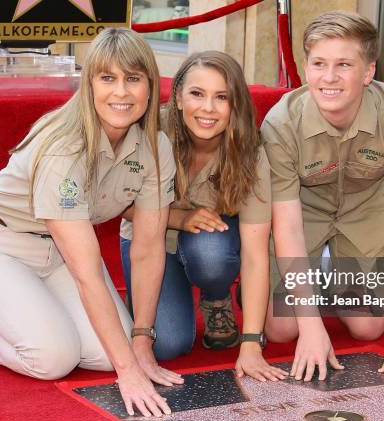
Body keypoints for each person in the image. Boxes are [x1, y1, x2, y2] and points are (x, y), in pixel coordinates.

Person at [0, 27, 183, 418]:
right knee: (53, 358)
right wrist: (129, 373)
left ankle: (26, 310)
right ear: (89, 84)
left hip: (56, 251)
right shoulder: (64, 147)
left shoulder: (156, 147)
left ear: (151, 85)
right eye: (107, 78)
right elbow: (87, 272)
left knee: (109, 353)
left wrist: (141, 342)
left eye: (132, 79)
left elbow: (148, 248)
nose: (121, 93)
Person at [261, 11, 384, 385]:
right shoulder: (280, 123)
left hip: (367, 210)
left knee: (367, 328)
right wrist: (311, 329)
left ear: (367, 71)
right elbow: (288, 226)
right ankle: (304, 280)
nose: (329, 77)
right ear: (306, 67)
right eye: (319, 64)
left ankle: (333, 276)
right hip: (306, 212)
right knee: (282, 330)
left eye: (344, 64)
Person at [120, 51, 288, 382]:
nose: (208, 108)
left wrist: (252, 344)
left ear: (235, 105)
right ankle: (142, 295)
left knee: (210, 253)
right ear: (179, 96)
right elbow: (114, 204)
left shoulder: (250, 152)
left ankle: (216, 298)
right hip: (149, 238)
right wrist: (179, 219)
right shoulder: (148, 131)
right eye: (197, 94)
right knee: (168, 344)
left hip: (209, 242)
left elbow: (255, 253)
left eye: (221, 97)